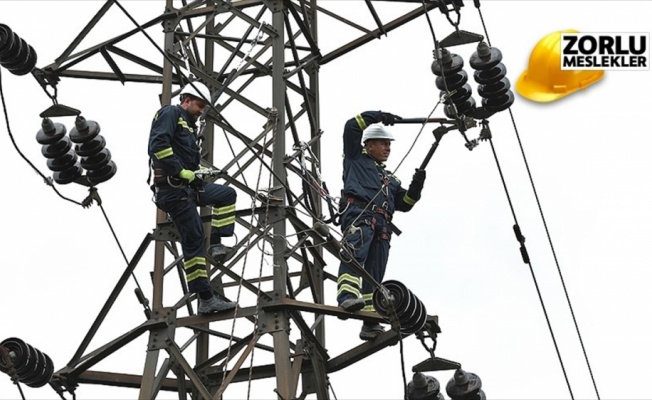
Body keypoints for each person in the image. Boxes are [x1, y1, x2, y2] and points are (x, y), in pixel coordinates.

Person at [148, 81, 238, 314]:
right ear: (186, 100)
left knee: (227, 195)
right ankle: (206, 298)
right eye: (199, 106)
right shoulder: (170, 113)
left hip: (188, 188)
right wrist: (179, 171)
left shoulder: (188, 125)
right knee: (194, 238)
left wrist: (196, 175)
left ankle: (217, 244)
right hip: (173, 191)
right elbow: (158, 145)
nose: (201, 111)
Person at [337, 110, 426, 340]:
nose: (388, 148)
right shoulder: (356, 158)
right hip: (360, 216)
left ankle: (370, 321)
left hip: (383, 227)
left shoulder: (391, 179)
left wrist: (417, 184)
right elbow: (351, 126)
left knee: (375, 274)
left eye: (389, 144)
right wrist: (377, 116)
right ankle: (347, 296)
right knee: (355, 255)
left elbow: (405, 204)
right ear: (369, 145)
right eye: (384, 143)